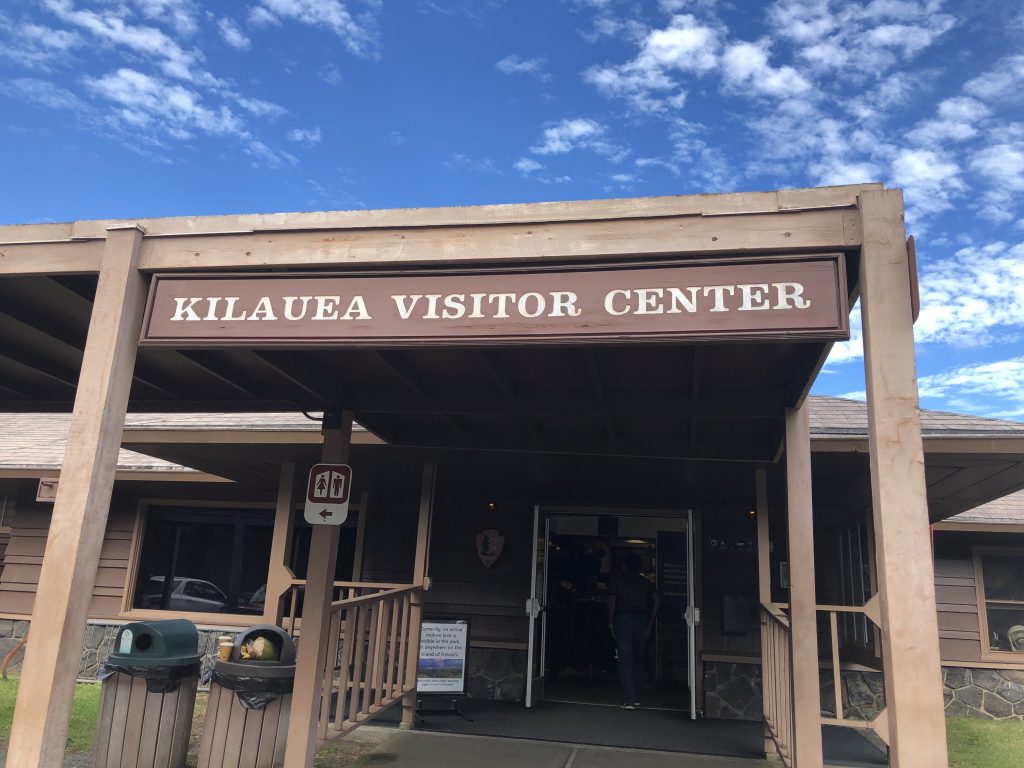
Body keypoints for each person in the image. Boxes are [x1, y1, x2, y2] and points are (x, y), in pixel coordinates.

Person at [607, 551, 660, 709]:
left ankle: (630, 699)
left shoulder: (617, 580)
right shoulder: (645, 582)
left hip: (623, 620)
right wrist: (651, 621)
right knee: (638, 658)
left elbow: (611, 602)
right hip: (642, 620)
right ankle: (635, 695)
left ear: (624, 564)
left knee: (625, 660)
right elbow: (658, 599)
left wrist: (610, 622)